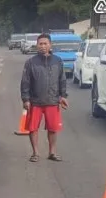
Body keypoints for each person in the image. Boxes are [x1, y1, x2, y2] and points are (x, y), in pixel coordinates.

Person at [20, 32, 68, 162]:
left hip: (52, 101)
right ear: (36, 45)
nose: (42, 46)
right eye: (40, 44)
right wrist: (26, 99)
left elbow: (62, 80)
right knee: (33, 128)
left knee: (53, 128)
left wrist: (63, 96)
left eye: (45, 43)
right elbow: (25, 82)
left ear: (50, 45)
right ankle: (35, 153)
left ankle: (52, 152)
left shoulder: (57, 61)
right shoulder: (30, 63)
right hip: (35, 102)